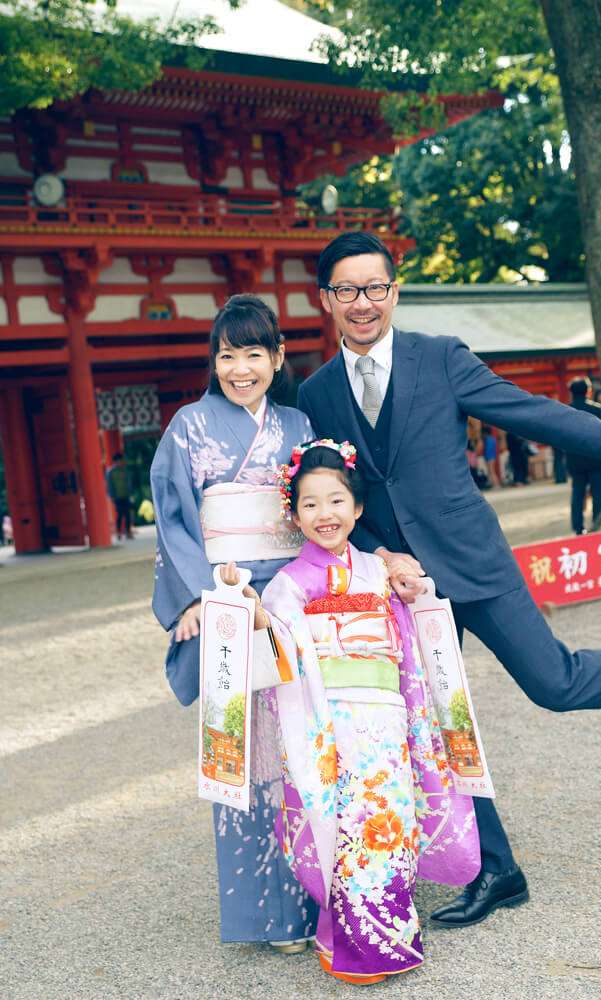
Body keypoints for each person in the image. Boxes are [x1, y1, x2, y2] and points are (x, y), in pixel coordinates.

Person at [296, 230, 601, 931]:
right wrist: (379, 553)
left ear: (394, 291)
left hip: (474, 561)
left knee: (554, 683)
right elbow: (328, 494)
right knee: (438, 727)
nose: (361, 302)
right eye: (346, 290)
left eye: (374, 287)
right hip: (408, 587)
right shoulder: (316, 392)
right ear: (326, 300)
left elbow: (531, 412)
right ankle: (497, 869)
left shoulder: (440, 358)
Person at [258, 441, 480, 983]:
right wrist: (263, 624)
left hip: (387, 717)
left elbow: (409, 636)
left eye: (336, 501)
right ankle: (355, 948)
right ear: (295, 514)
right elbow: (277, 655)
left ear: (358, 508)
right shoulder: (288, 583)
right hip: (330, 722)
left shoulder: (379, 572)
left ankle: (387, 937)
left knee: (392, 822)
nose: (324, 514)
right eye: (309, 505)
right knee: (347, 828)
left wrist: (414, 591)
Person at [150, 294, 319, 952]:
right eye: (227, 355)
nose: (240, 367)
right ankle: (268, 916)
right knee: (246, 756)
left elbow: (316, 510)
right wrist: (196, 596)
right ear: (213, 361)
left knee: (307, 743)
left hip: (293, 596)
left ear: (278, 358)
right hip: (226, 599)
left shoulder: (299, 427)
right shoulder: (188, 428)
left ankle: (319, 895)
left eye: (254, 353)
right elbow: (173, 518)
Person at [566, 376, 601, 534]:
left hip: (575, 459)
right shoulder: (598, 410)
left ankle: (578, 526)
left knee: (577, 494)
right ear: (588, 391)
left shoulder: (567, 412)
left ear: (571, 392)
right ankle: (597, 521)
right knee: (599, 493)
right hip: (596, 457)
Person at [105, 452, 134, 539]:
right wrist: (112, 496)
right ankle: (118, 532)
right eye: (120, 460)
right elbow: (109, 485)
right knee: (120, 514)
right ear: (116, 461)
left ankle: (128, 532)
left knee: (128, 514)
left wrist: (130, 493)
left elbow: (128, 483)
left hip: (126, 495)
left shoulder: (124, 470)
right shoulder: (111, 472)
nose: (121, 462)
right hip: (117, 496)